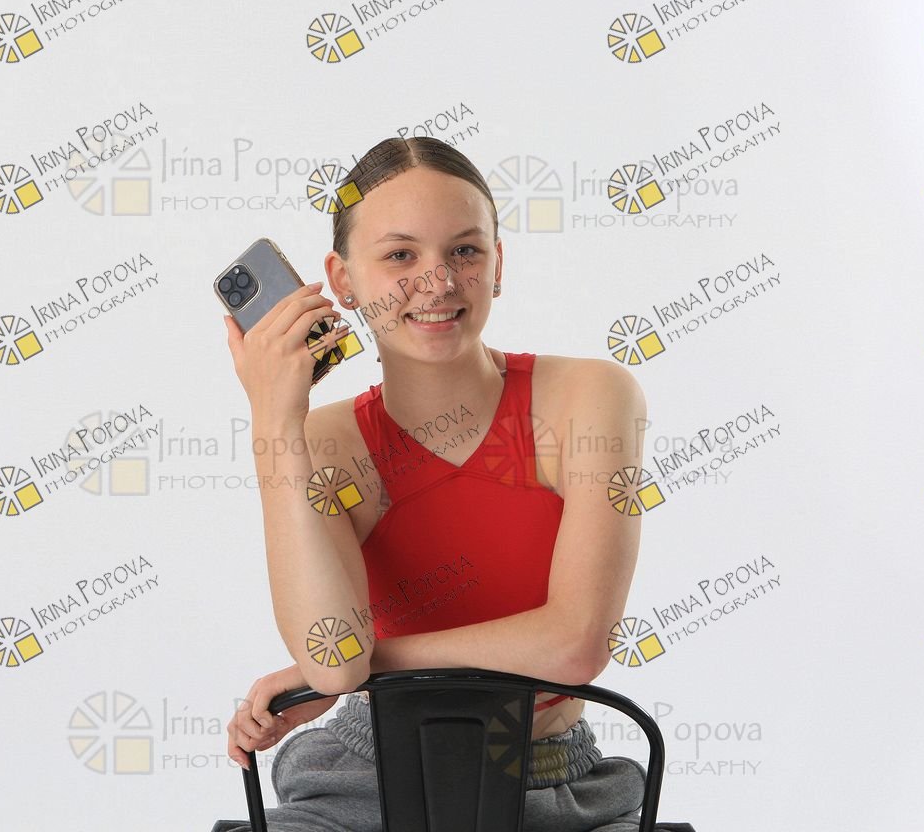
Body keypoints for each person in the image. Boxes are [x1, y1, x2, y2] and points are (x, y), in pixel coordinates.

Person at [218, 136, 650, 831]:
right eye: (400, 255)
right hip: (362, 781)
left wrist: (370, 664)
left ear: (498, 264)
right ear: (343, 280)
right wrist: (274, 420)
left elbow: (576, 644)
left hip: (555, 786)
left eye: (465, 251)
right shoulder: (323, 442)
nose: (439, 280)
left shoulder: (589, 397)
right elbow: (333, 662)